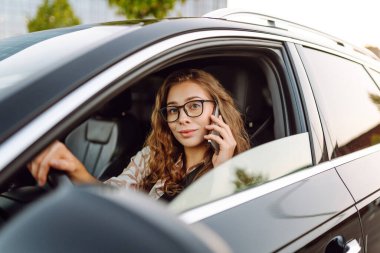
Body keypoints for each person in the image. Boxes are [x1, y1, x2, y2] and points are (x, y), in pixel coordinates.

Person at [28, 69, 250, 200]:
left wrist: (223, 170)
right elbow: (109, 196)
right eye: (173, 110)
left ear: (217, 109)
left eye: (194, 106)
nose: (182, 118)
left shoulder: (243, 167)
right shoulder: (153, 156)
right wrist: (73, 166)